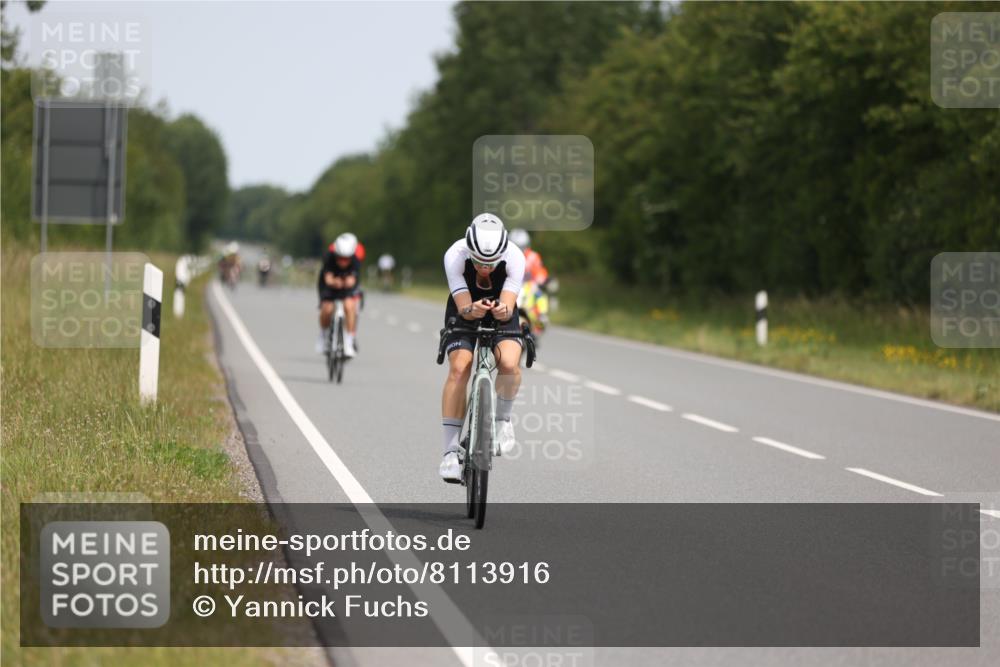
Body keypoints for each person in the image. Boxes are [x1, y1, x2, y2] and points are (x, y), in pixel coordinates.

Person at [439, 213, 525, 482]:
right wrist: (471, 309)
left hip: (500, 307)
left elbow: (509, 304)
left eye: (491, 263)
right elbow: (463, 304)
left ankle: (503, 421)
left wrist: (502, 311)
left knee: (510, 363)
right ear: (469, 249)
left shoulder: (515, 256)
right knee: (459, 367)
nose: (485, 268)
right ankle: (450, 452)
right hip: (464, 307)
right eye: (478, 262)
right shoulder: (454, 255)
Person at [317, 232, 362, 357]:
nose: (343, 261)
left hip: (346, 287)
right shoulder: (328, 258)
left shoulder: (355, 261)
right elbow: (328, 279)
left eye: (346, 258)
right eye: (340, 258)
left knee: (349, 306)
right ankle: (323, 335)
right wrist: (335, 282)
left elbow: (353, 280)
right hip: (329, 287)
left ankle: (348, 341)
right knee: (327, 308)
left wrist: (347, 282)